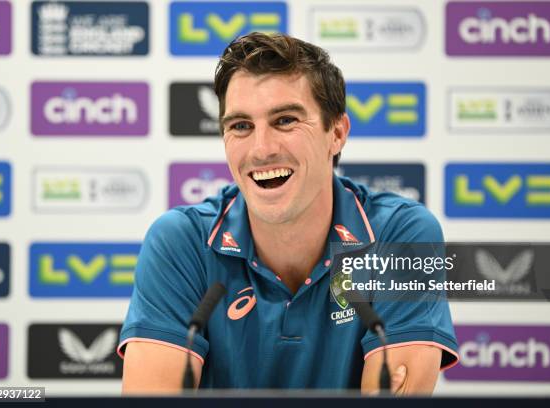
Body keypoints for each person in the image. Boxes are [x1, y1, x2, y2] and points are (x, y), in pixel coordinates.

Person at [118, 32, 458, 394]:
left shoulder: (400, 234)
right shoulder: (181, 241)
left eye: (285, 121)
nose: (262, 149)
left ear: (337, 133)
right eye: (241, 126)